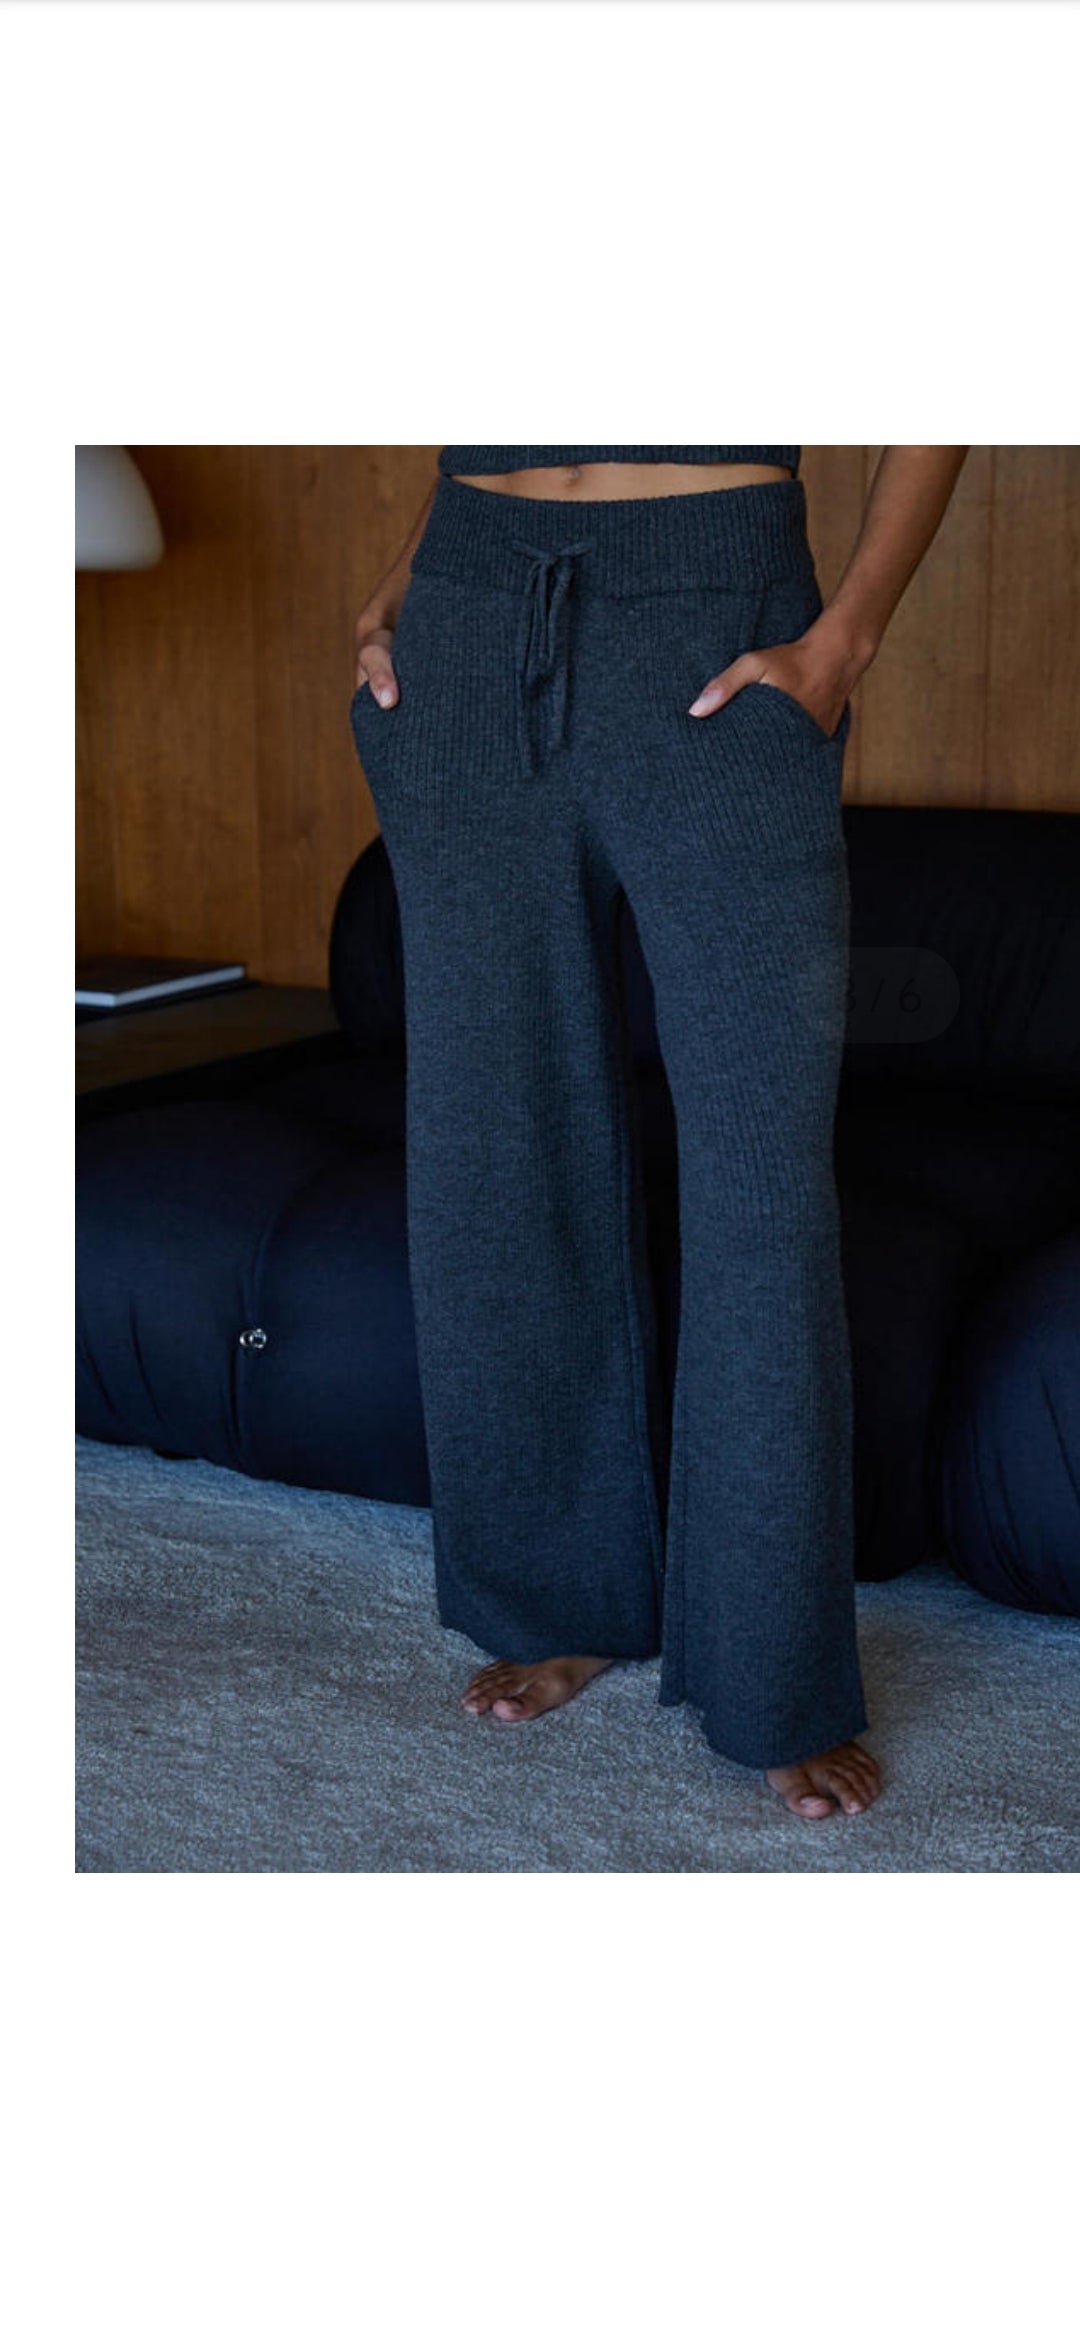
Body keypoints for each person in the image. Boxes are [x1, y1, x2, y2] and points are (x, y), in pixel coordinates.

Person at [349, 446, 968, 1822]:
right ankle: (562, 1599)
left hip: (717, 617)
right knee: (499, 1160)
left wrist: (845, 640)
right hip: (469, 616)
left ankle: (774, 1675)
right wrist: (402, 580)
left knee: (761, 1189)